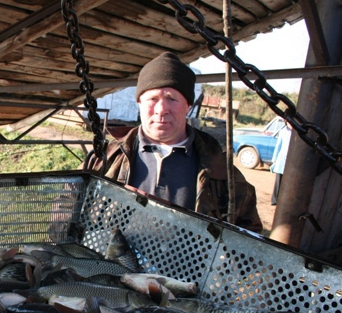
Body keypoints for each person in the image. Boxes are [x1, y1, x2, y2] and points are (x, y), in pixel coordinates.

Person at [87, 52, 263, 233]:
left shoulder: (221, 172)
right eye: (152, 99)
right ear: (139, 102)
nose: (161, 109)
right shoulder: (104, 158)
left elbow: (250, 237)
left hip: (190, 261)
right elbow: (70, 211)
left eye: (172, 99)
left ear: (188, 105)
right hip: (115, 260)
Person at [270, 121, 292, 206]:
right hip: (281, 161)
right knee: (278, 182)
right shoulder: (283, 132)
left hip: (290, 162)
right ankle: (275, 200)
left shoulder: (296, 134)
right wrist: (274, 159)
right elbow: (278, 146)